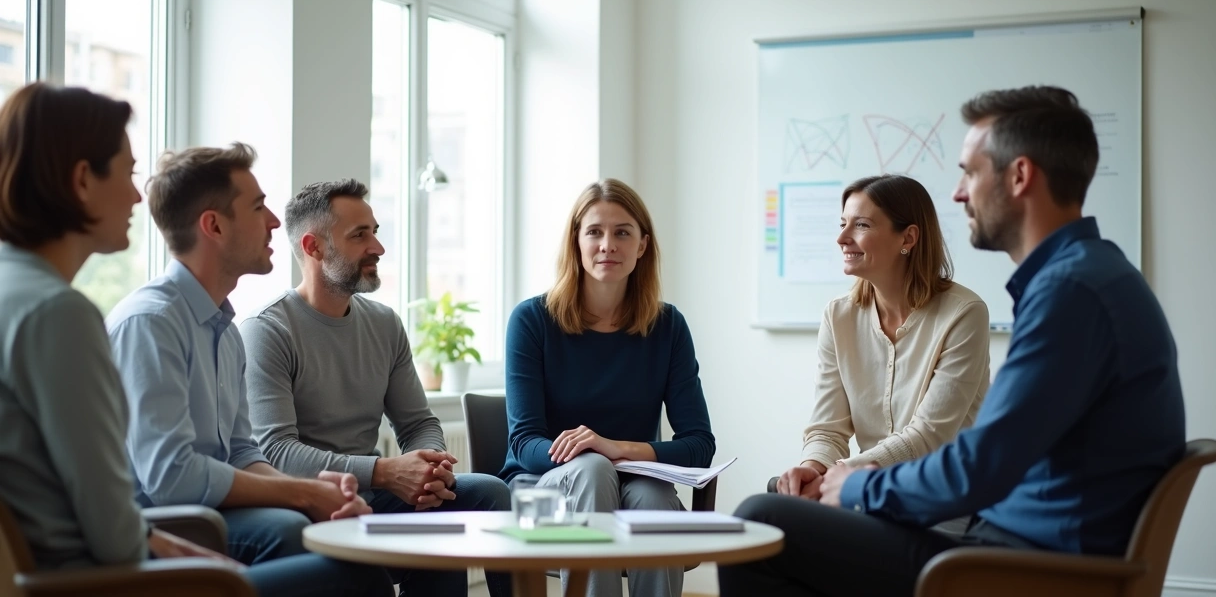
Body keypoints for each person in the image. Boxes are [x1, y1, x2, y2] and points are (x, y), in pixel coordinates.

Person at [718, 86, 1186, 597]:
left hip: (1018, 565)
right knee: (778, 519)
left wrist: (854, 485)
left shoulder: (1070, 293)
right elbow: (993, 456)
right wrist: (835, 477)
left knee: (762, 519)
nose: (959, 193)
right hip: (1016, 544)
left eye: (970, 173)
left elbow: (976, 466)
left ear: (1020, 176)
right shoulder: (1091, 277)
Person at [0, 82, 390, 596]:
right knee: (356, 569)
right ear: (82, 180)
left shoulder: (223, 329)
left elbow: (238, 451)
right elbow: (135, 509)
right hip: (91, 577)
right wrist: (293, 499)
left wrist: (304, 490)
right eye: (127, 173)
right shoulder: (67, 314)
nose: (137, 195)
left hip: (108, 552)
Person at [105, 142, 392, 593]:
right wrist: (302, 493)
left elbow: (242, 452)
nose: (275, 221)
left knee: (347, 546)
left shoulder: (224, 329)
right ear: (214, 225)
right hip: (165, 525)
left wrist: (318, 495)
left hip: (216, 511)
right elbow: (171, 478)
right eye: (258, 207)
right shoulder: (151, 323)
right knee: (302, 536)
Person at [241, 178, 512, 597]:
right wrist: (386, 472)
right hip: (309, 506)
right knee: (438, 516)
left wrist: (430, 470)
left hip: (375, 496)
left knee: (487, 493)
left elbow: (418, 423)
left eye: (375, 232)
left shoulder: (384, 324)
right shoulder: (267, 330)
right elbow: (277, 453)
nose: (378, 248)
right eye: (359, 235)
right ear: (314, 247)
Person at [502, 178, 716, 597]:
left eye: (622, 233)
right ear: (576, 241)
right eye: (595, 232)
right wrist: (593, 454)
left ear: (642, 245)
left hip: (633, 487)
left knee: (654, 498)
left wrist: (615, 447)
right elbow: (524, 443)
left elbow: (699, 445)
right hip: (539, 497)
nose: (607, 245)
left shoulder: (668, 326)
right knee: (592, 469)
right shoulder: (531, 320)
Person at [776, 174, 990, 534]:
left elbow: (927, 438)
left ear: (908, 238)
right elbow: (828, 429)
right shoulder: (839, 316)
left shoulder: (964, 313)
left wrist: (838, 477)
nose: (842, 238)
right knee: (767, 516)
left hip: (940, 507)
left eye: (861, 225)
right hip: (864, 498)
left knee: (768, 516)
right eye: (843, 224)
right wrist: (812, 468)